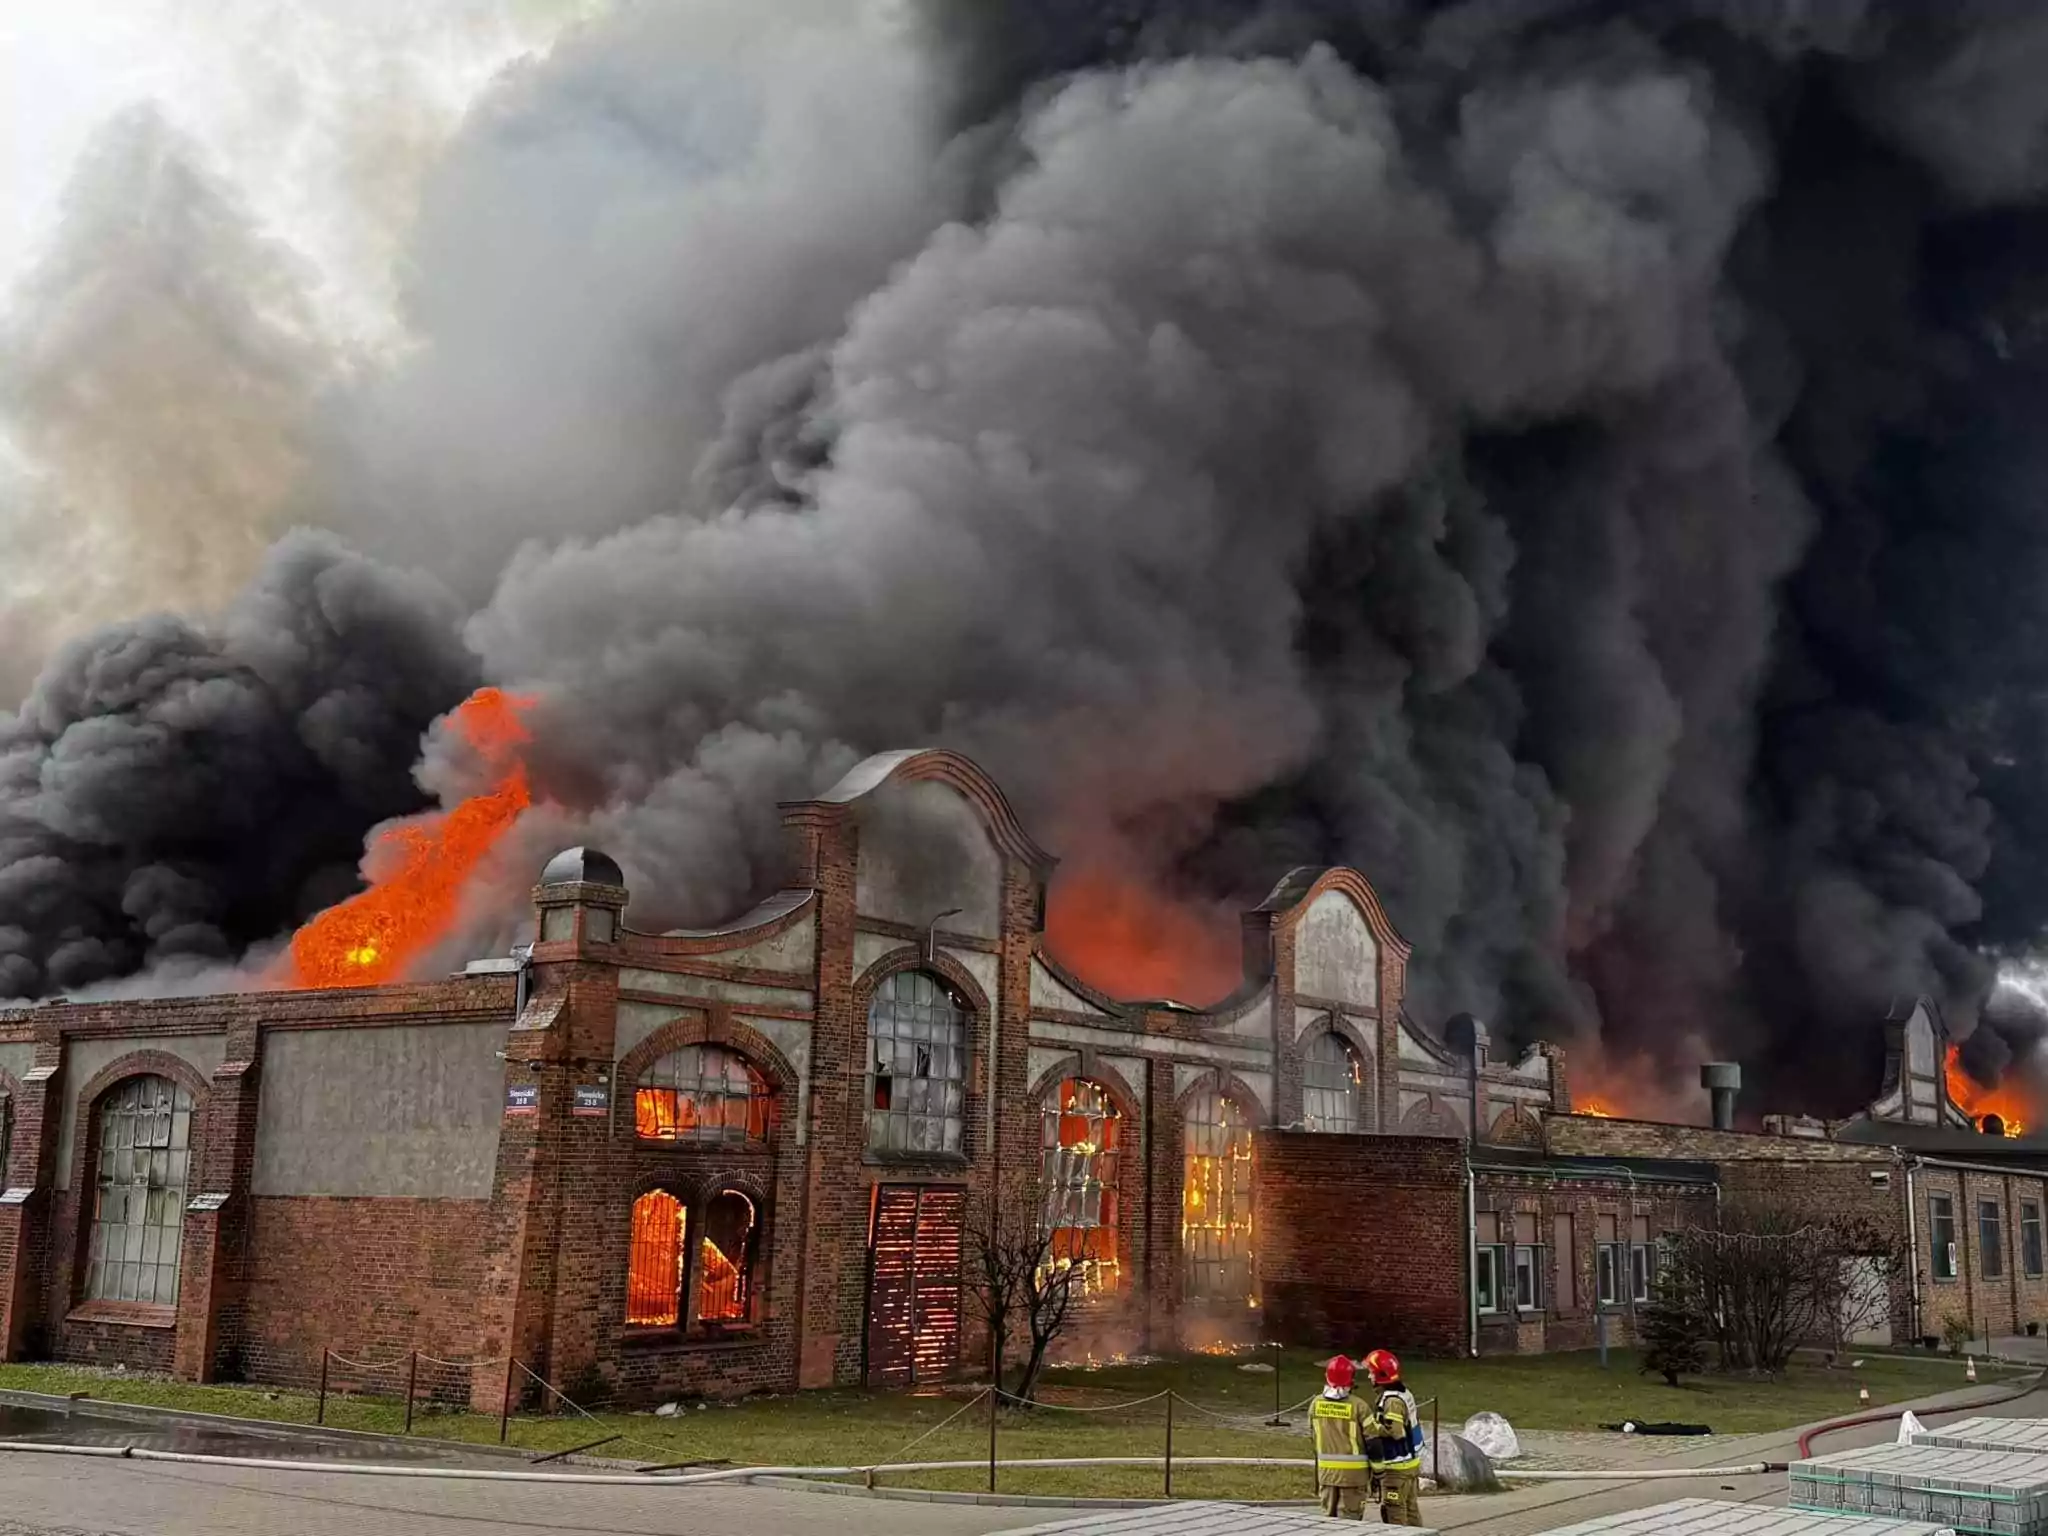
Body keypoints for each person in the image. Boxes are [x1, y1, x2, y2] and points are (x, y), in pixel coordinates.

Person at [1362, 1348, 1425, 1526]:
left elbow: (1396, 1432)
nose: (1369, 1377)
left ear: (1381, 1376)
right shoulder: (1403, 1393)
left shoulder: (1392, 1402)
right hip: (1409, 1464)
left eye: (1371, 1373)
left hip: (1397, 1468)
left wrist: (1370, 1427)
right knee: (1411, 1510)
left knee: (1394, 1514)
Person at [1309, 1354, 1371, 1519]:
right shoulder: (1360, 1406)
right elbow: (1373, 1441)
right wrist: (1378, 1472)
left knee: (1328, 1526)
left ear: (1327, 1376)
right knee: (1350, 1524)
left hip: (1326, 1475)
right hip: (1354, 1478)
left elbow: (1313, 1439)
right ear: (1351, 1378)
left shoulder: (1315, 1404)